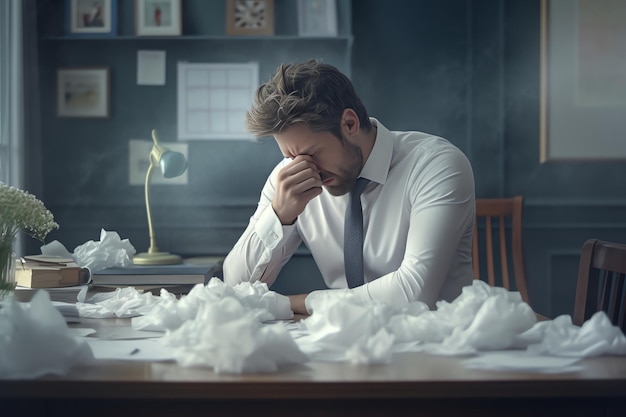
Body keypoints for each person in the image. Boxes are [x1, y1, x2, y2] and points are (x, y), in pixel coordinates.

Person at [223, 59, 476, 315]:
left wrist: (294, 304)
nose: (306, 170)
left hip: (437, 342)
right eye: (291, 157)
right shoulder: (288, 180)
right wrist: (279, 215)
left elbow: (413, 293)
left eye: (312, 153)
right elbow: (235, 286)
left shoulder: (436, 165)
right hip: (344, 342)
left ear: (350, 124)